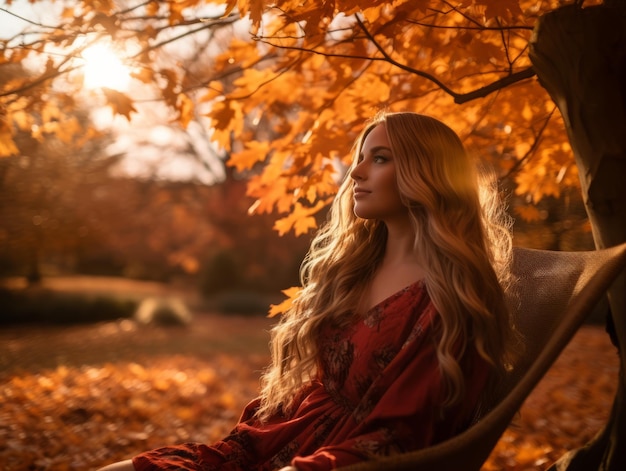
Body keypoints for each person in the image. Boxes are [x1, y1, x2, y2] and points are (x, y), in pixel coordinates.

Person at [98, 112, 518, 471]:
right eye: (360, 158)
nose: (355, 172)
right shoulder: (355, 270)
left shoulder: (450, 297)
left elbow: (401, 436)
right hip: (274, 444)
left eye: (380, 159)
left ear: (428, 174)